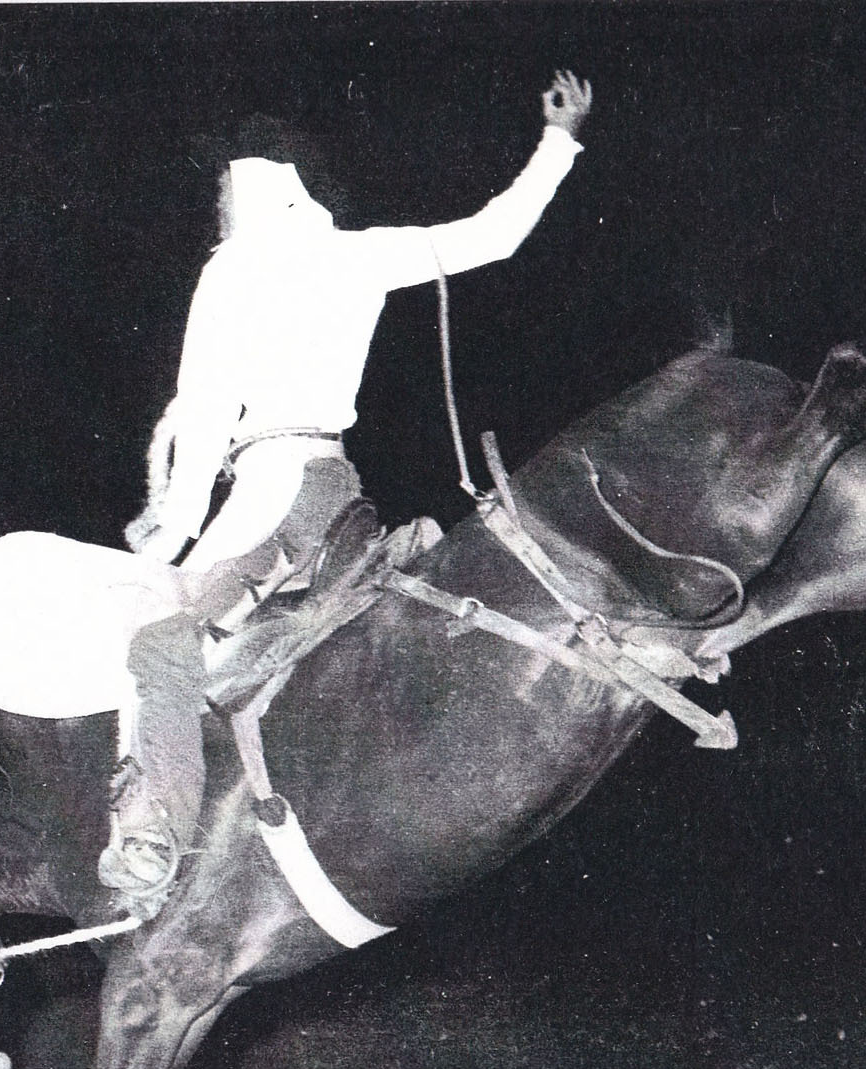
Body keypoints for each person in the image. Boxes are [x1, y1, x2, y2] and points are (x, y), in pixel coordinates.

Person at [98, 71, 595, 902]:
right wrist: (558, 142)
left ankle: (154, 834)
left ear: (250, 182)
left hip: (266, 494)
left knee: (158, 644)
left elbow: (208, 408)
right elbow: (493, 236)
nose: (217, 203)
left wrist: (172, 533)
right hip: (335, 488)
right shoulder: (360, 253)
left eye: (221, 187)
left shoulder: (233, 266)